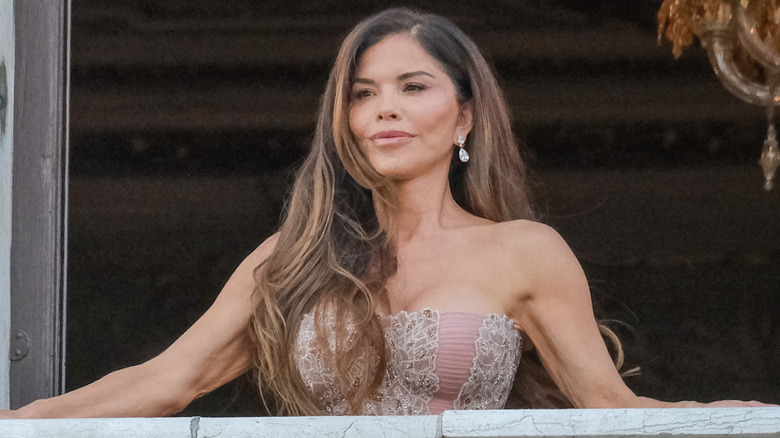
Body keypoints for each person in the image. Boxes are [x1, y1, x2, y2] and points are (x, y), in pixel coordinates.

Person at [4, 7, 771, 418]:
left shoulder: (525, 251)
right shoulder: (292, 257)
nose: (384, 110)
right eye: (363, 93)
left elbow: (609, 405)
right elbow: (163, 383)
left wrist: (722, 419)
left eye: (413, 87)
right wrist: (25, 422)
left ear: (465, 116)